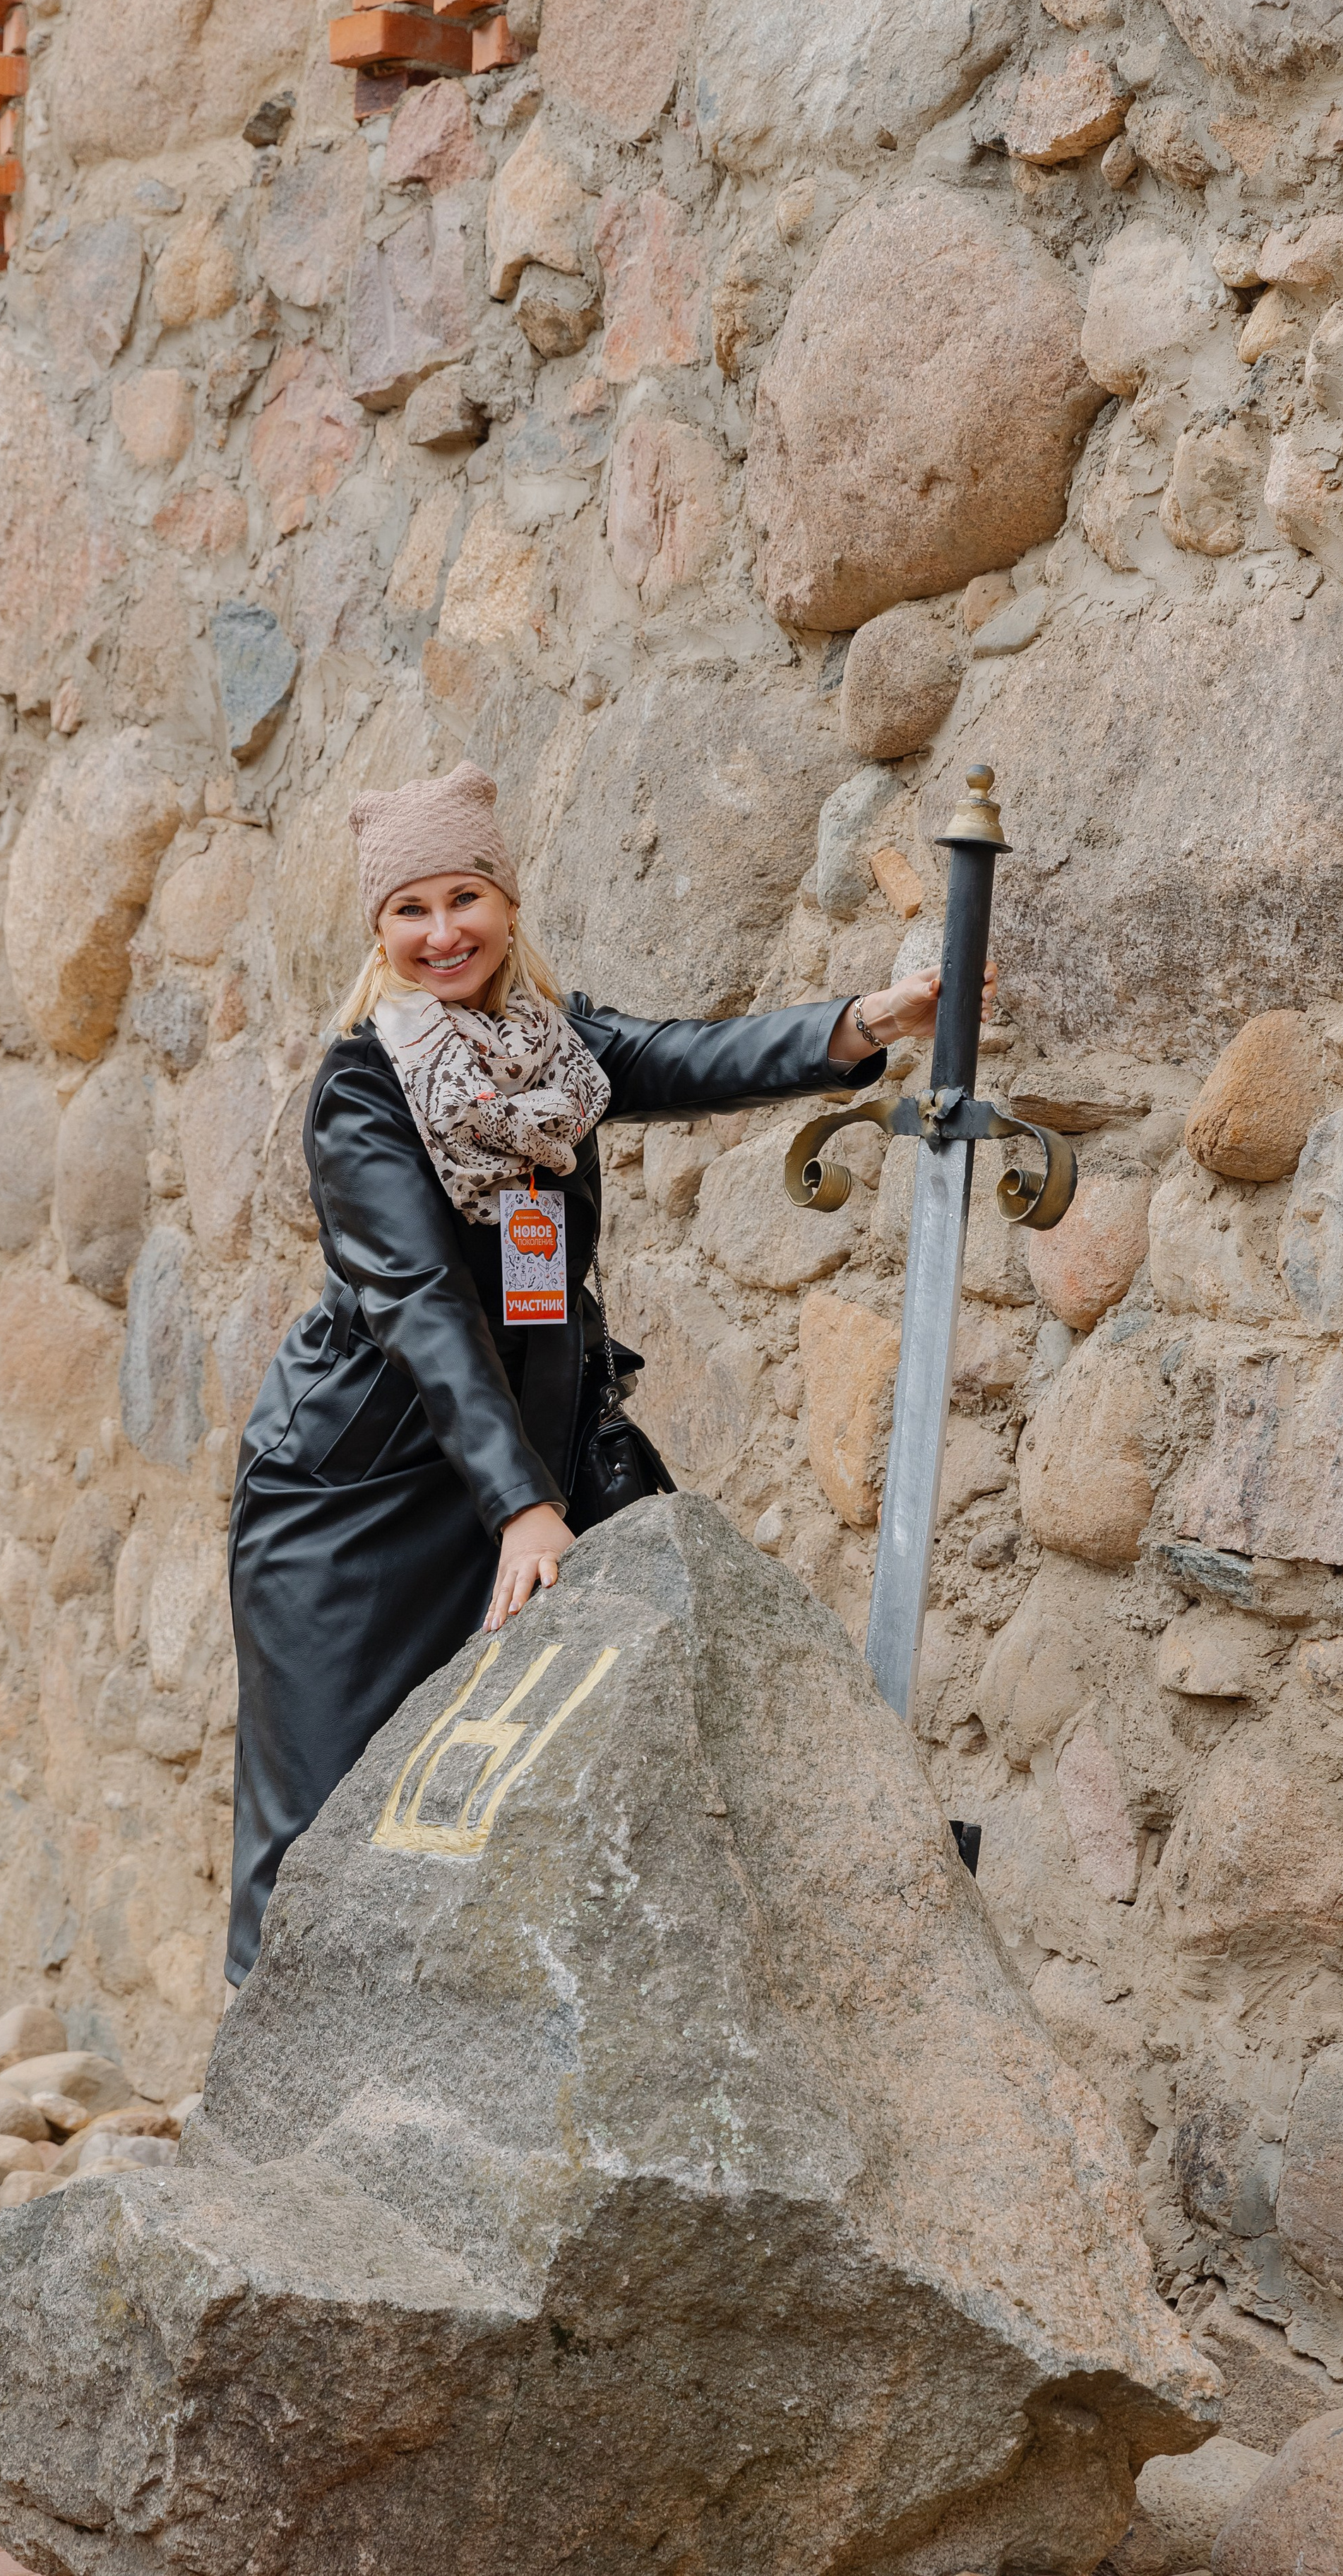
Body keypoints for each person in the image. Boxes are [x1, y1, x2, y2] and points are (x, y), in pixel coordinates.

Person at [225, 759, 964, 1987]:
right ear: (379, 932)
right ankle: (254, 2131)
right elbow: (418, 1298)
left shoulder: (552, 1052)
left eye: (464, 897)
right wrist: (521, 1507)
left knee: (537, 1788)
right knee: (315, 1827)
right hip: (359, 1507)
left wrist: (871, 1023)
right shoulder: (362, 1084)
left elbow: (690, 1056)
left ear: (508, 906)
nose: (441, 931)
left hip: (532, 1475)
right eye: (409, 910)